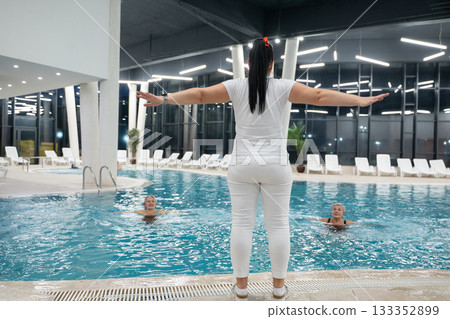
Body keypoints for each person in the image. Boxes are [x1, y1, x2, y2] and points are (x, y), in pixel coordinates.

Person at [136, 37, 388, 300]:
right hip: (275, 166)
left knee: (242, 225)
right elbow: (319, 96)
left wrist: (163, 99)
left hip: (242, 164)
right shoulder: (283, 86)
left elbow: (199, 95)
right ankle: (278, 289)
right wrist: (359, 101)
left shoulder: (235, 86)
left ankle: (242, 289)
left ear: (248, 63)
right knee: (278, 227)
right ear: (271, 65)